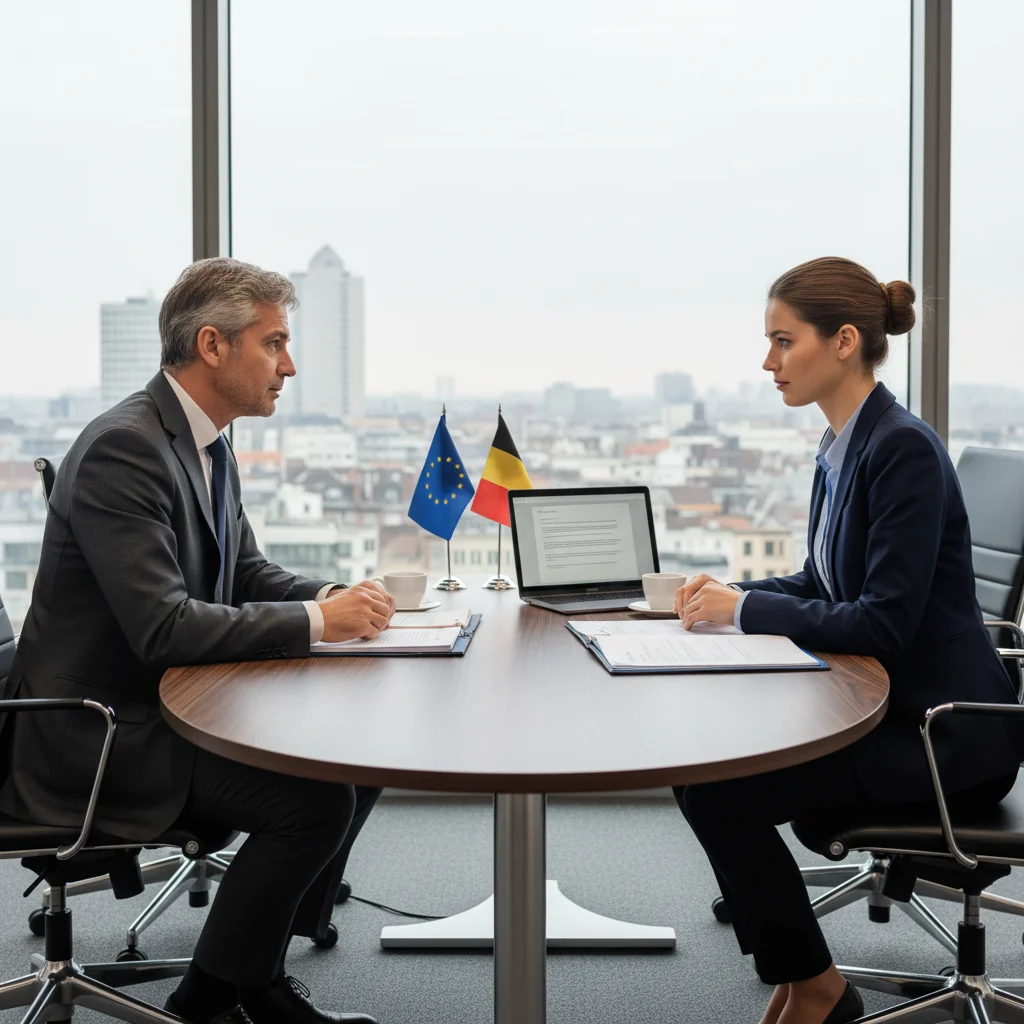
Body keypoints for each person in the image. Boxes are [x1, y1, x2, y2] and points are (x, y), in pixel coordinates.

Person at [0, 257, 395, 1024]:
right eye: (273, 342)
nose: (289, 365)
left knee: (355, 755)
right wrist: (320, 627)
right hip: (99, 731)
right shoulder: (127, 448)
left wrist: (329, 597)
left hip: (163, 706)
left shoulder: (204, 439)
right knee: (314, 800)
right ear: (212, 345)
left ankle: (254, 973)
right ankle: (217, 999)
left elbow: (241, 569)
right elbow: (164, 626)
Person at [672, 256, 1024, 1024]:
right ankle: (803, 979)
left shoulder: (902, 450)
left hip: (942, 736)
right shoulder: (842, 448)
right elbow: (822, 581)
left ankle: (820, 990)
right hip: (884, 712)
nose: (767, 362)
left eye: (781, 341)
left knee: (716, 792)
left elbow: (883, 622)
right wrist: (728, 595)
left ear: (843, 342)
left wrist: (743, 613)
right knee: (703, 781)